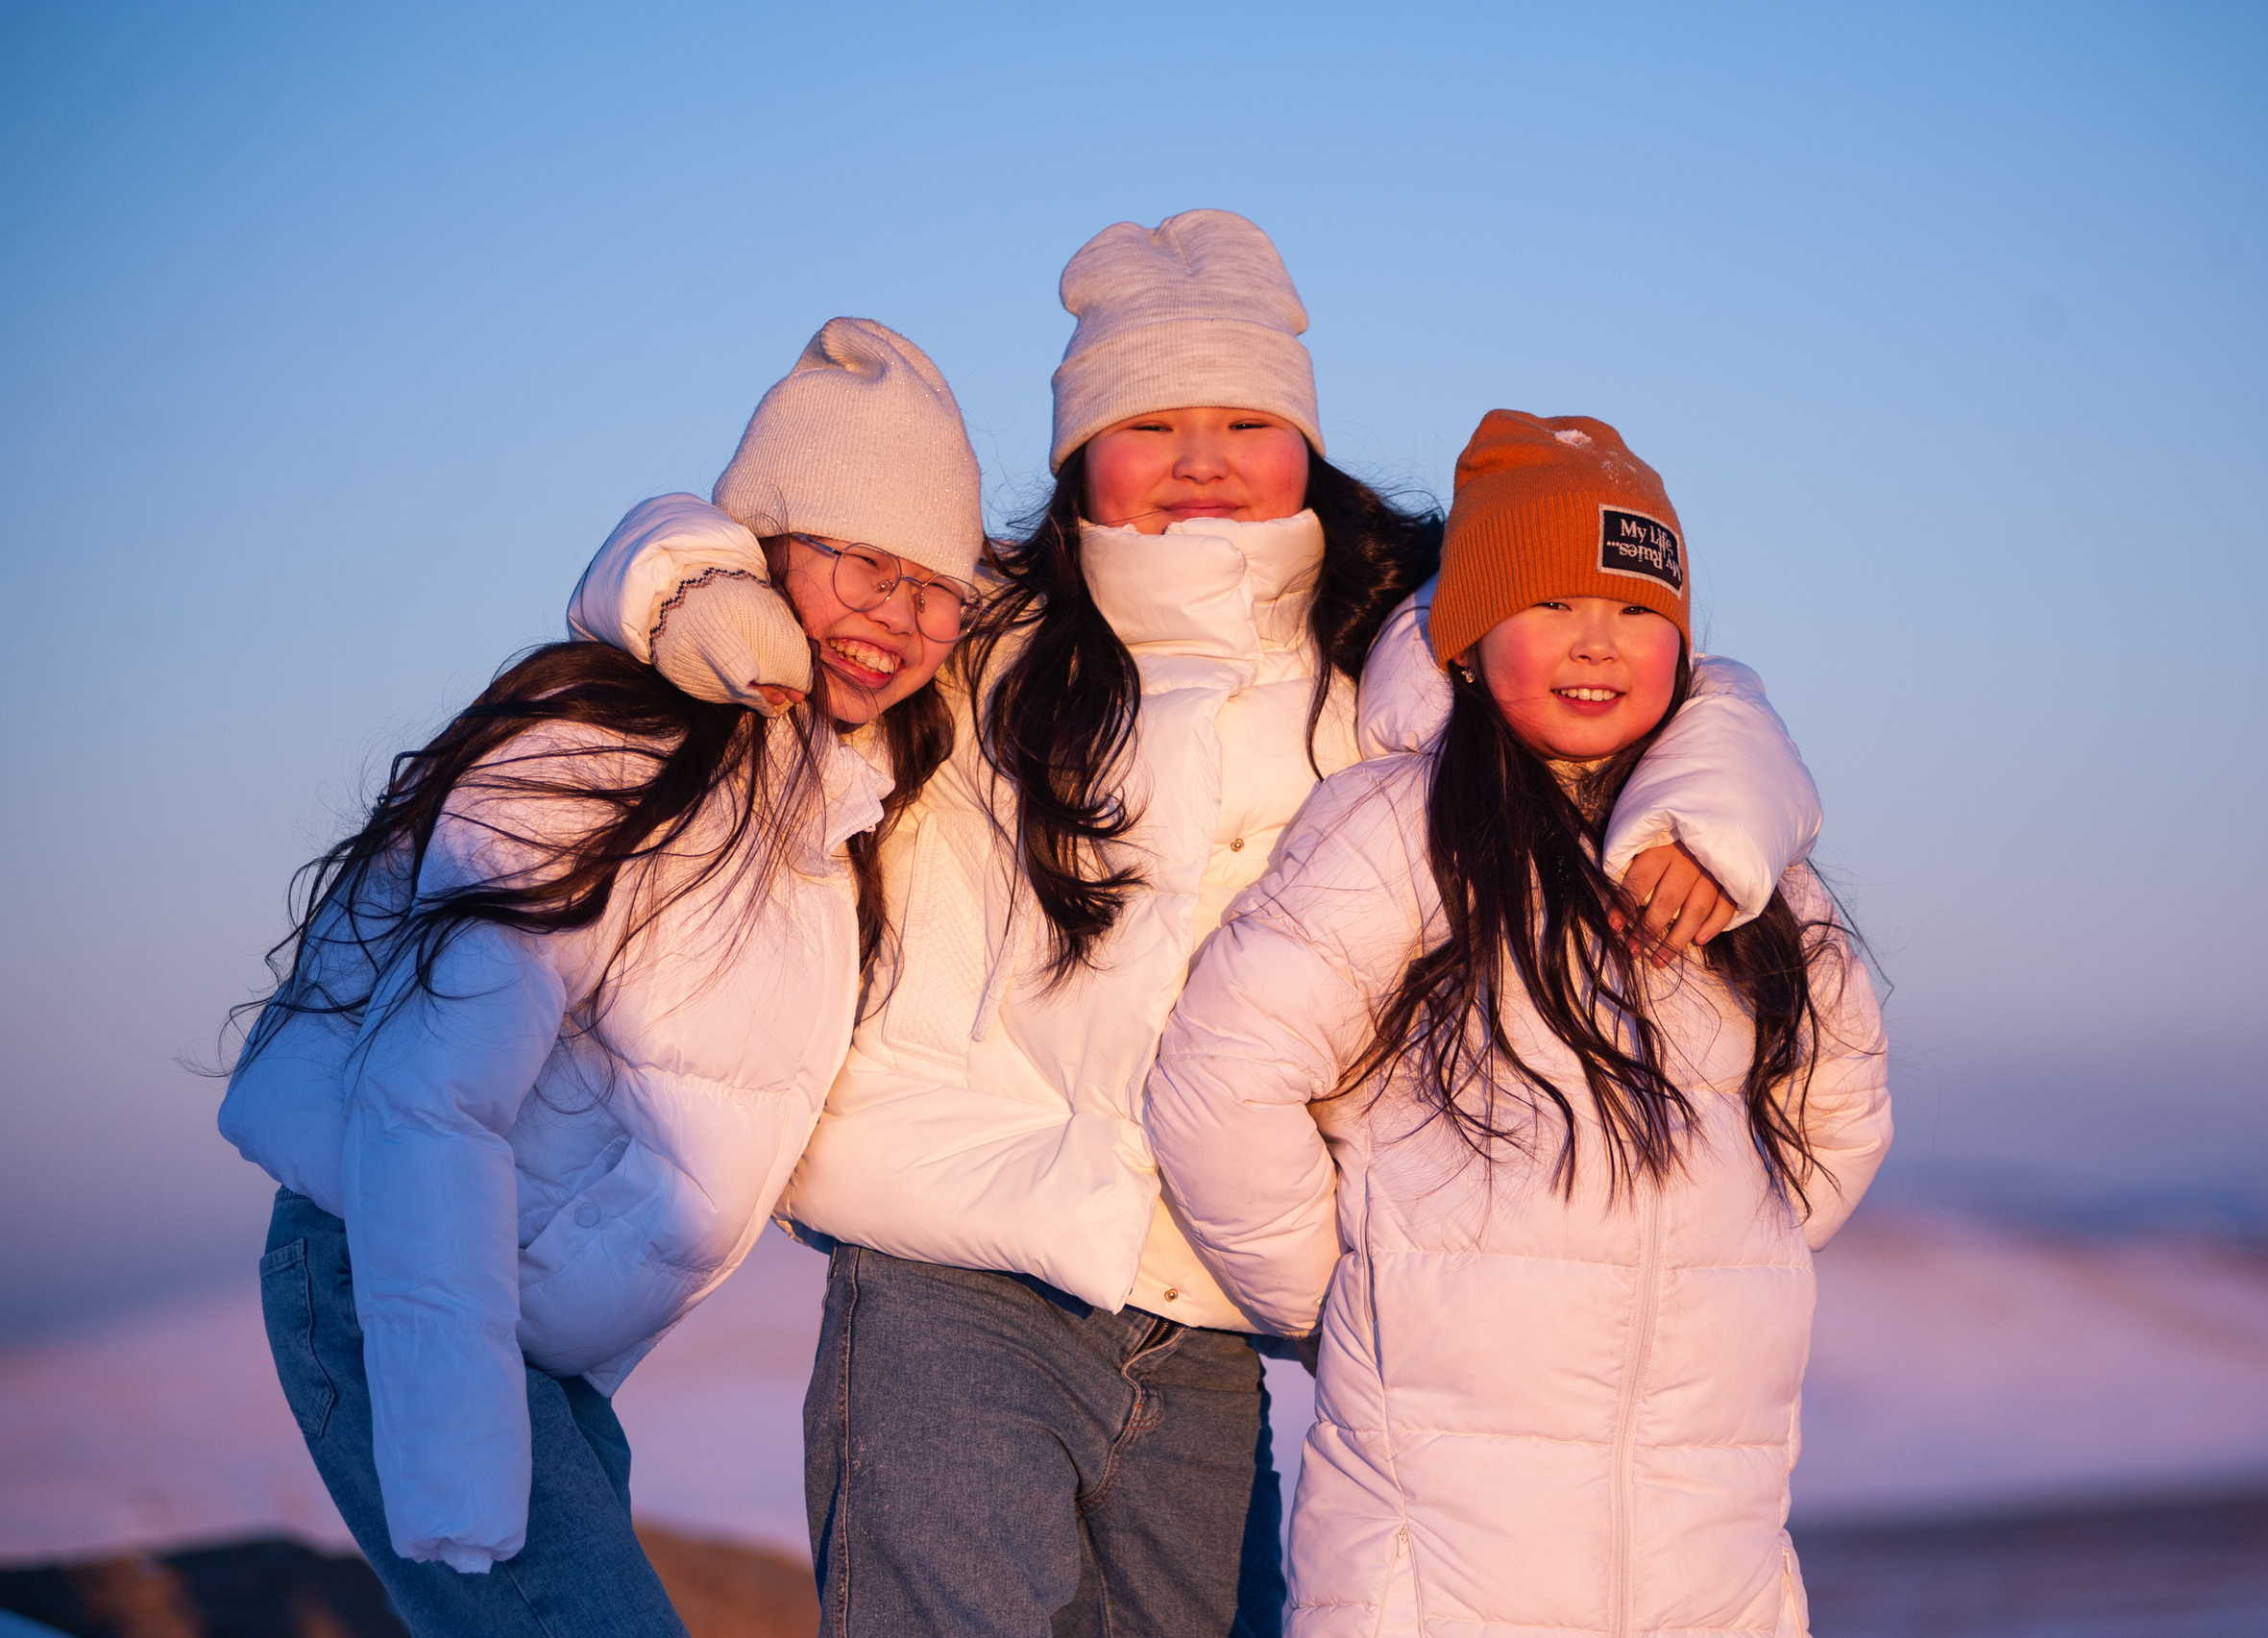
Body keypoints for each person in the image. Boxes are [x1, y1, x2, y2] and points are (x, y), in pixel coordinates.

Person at [566, 211, 1824, 1635]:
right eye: (1151, 421)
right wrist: (691, 592)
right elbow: (734, 541)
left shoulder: (1391, 657)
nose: (1205, 458)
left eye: (1245, 419)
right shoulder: (982, 639)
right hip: (952, 1267)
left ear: (1310, 442)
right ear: (1077, 455)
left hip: (1214, 1313)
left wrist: (1722, 807)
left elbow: (1656, 681)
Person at [217, 318, 981, 1636]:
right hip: (398, 1273)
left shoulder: (818, 797)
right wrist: (463, 1453)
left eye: (934, 583)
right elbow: (431, 1095)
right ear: (772, 546)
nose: (898, 618)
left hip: (526, 1332)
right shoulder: (611, 748)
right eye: (862, 560)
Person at [1145, 410, 1894, 1638]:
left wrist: (1725, 1234)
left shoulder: (1750, 876)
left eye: (1636, 610)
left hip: (1706, 1560)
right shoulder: (1397, 829)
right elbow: (1221, 1083)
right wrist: (1348, 1292)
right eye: (1548, 605)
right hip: (1438, 1569)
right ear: (1471, 635)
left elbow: (1838, 1102)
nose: (1595, 644)